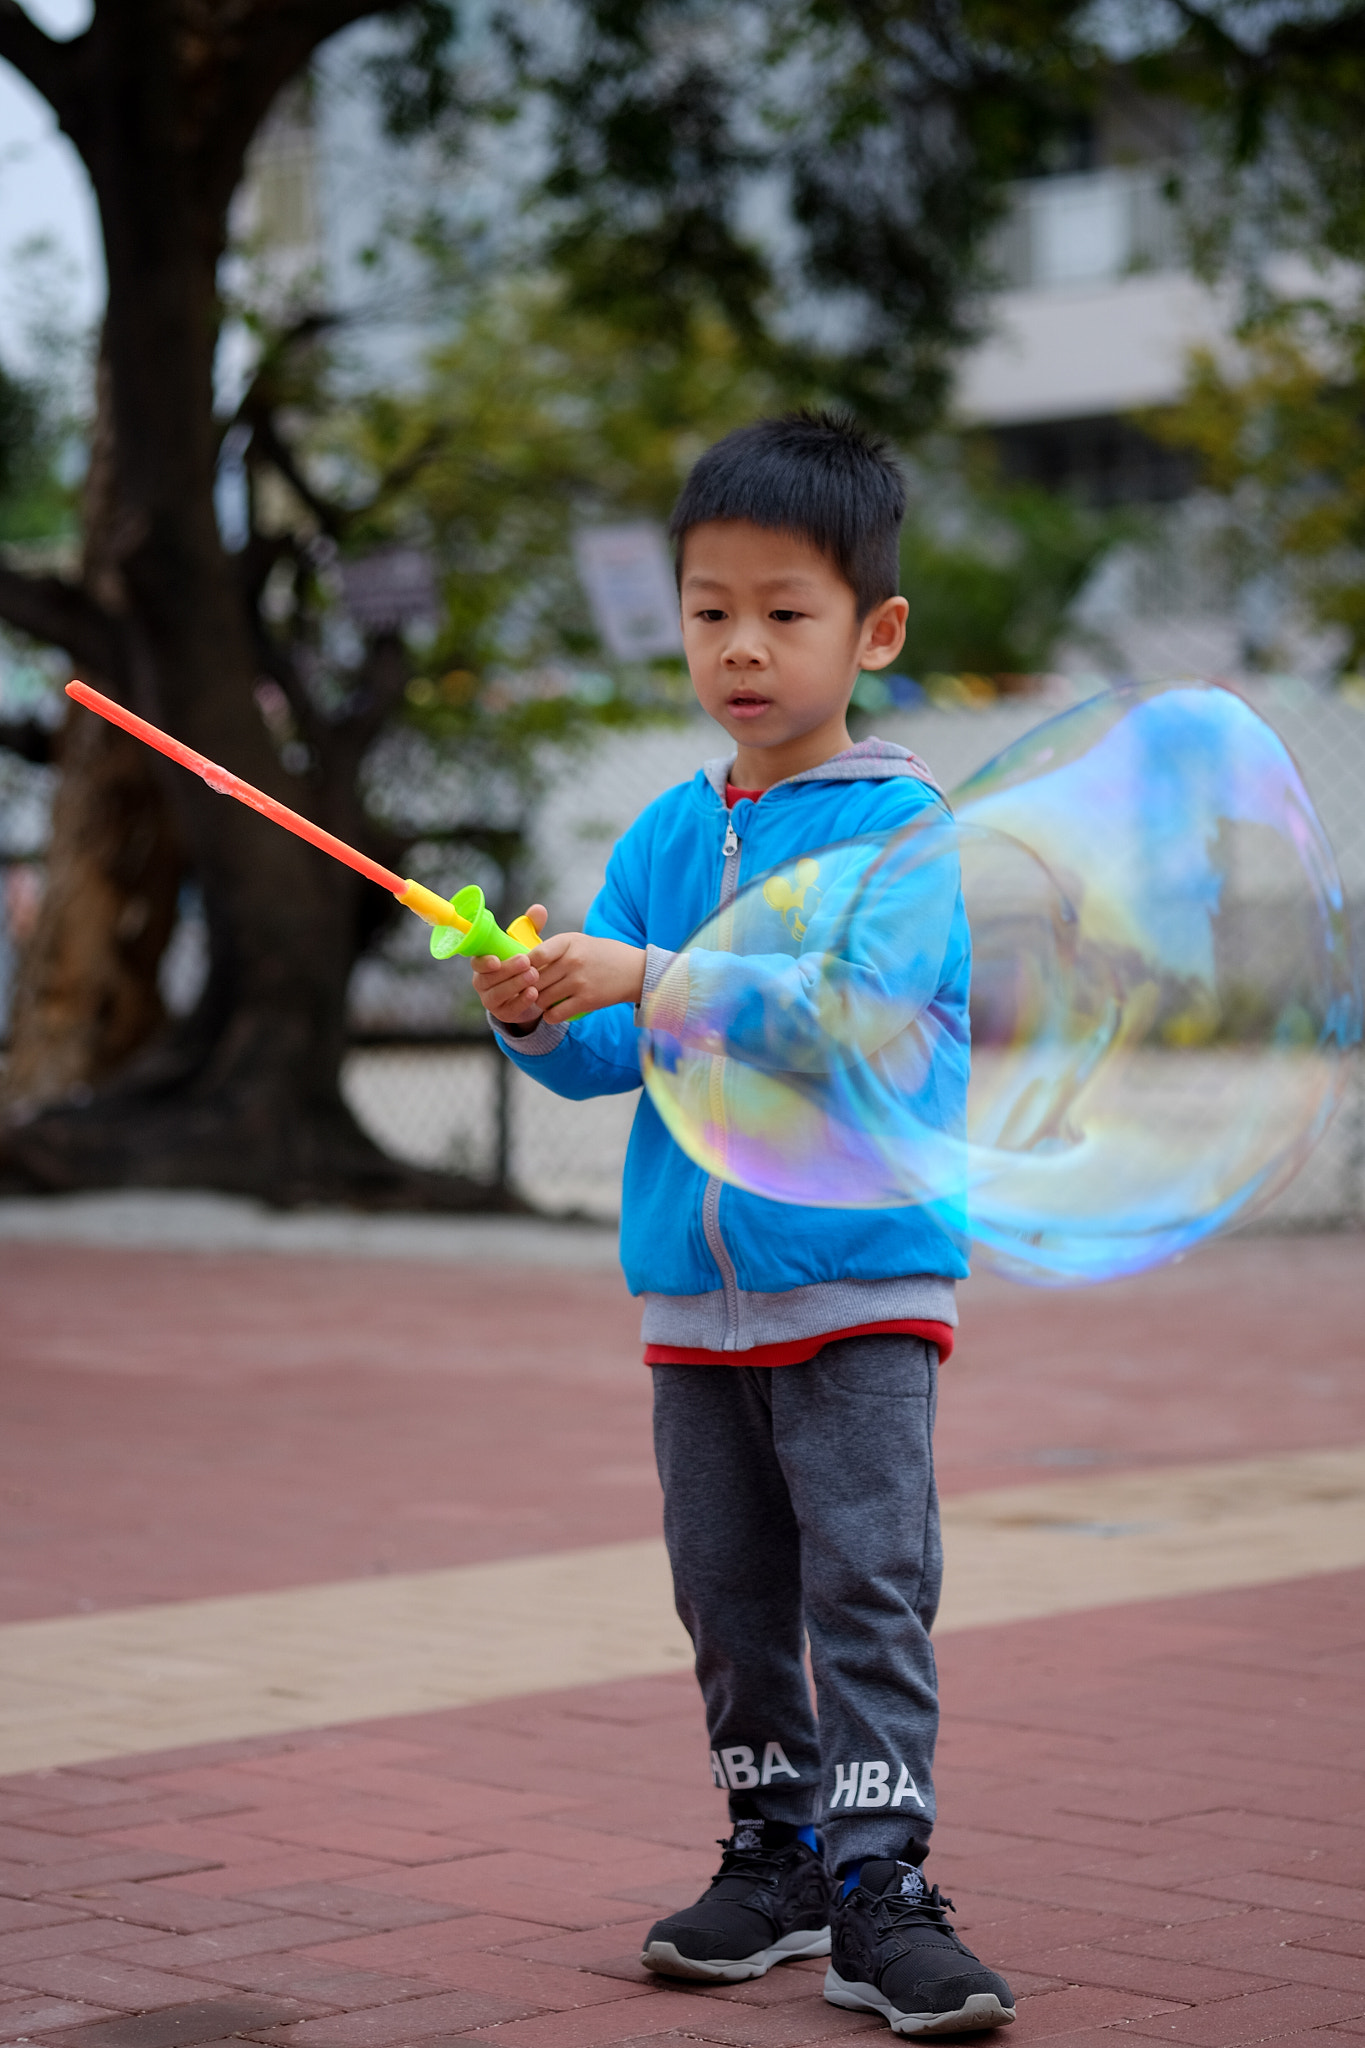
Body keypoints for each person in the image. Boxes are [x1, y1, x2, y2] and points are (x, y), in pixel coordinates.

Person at [470, 410, 1015, 2038]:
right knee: (723, 1588)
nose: (743, 649)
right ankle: (773, 1853)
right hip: (691, 1307)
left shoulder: (898, 829)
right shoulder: (661, 834)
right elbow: (601, 1060)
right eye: (711, 612)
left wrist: (650, 973)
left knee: (865, 1578)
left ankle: (879, 1881)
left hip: (856, 1280)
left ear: (876, 631)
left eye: (786, 612)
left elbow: (841, 1010)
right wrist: (532, 1005)